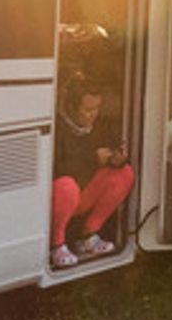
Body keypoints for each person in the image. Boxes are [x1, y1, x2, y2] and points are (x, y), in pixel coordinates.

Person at [49, 76, 135, 265]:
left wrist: (117, 158)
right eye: (87, 109)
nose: (93, 114)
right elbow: (54, 169)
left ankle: (87, 235)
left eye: (97, 108)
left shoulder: (100, 124)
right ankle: (57, 245)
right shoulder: (57, 128)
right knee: (66, 186)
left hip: (85, 193)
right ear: (71, 107)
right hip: (59, 198)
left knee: (125, 173)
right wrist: (93, 159)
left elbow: (113, 148)